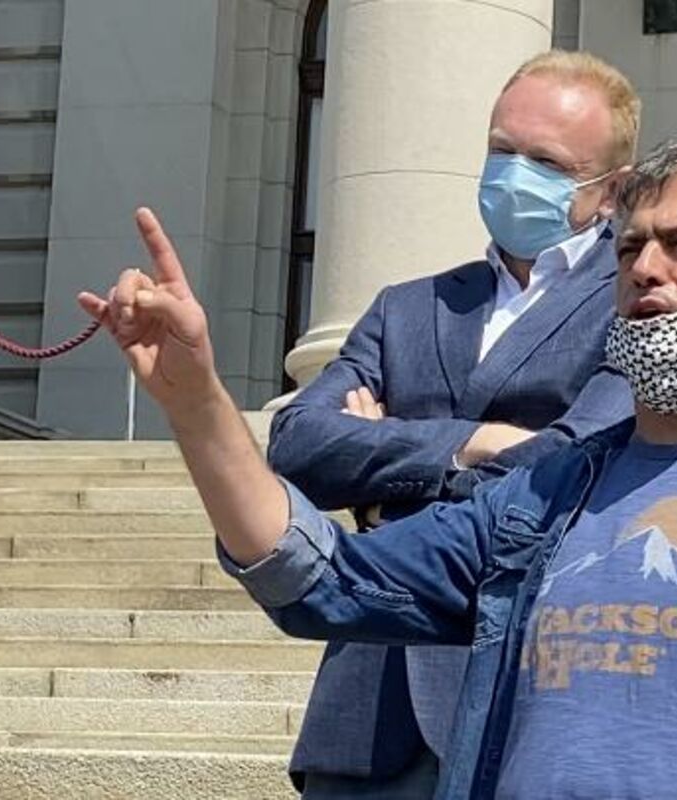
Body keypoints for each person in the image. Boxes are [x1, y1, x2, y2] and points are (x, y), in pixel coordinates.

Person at [79, 137, 677, 799]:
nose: (646, 268)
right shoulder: (545, 490)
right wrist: (197, 403)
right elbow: (321, 580)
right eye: (631, 247)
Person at [263, 50, 638, 797]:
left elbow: (572, 468)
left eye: (546, 162)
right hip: (368, 716)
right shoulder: (408, 307)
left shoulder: (636, 301)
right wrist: (470, 443)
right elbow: (296, 444)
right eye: (502, 150)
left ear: (612, 190)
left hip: (530, 697)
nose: (514, 175)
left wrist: (381, 499)